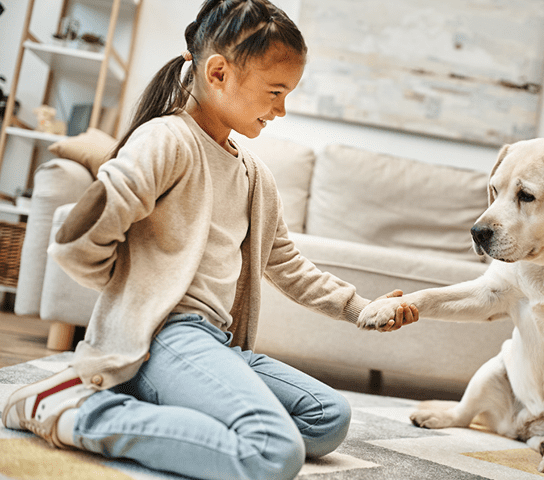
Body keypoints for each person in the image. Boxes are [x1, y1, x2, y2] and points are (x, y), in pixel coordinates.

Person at [1, 1, 418, 479]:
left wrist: (359, 308)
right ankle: (72, 411)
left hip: (217, 343)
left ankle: (177, 409)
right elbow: (83, 236)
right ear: (218, 72)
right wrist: (129, 295)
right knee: (273, 454)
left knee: (327, 420)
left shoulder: (253, 174)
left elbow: (287, 263)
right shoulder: (167, 140)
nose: (281, 109)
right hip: (162, 336)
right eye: (275, 91)